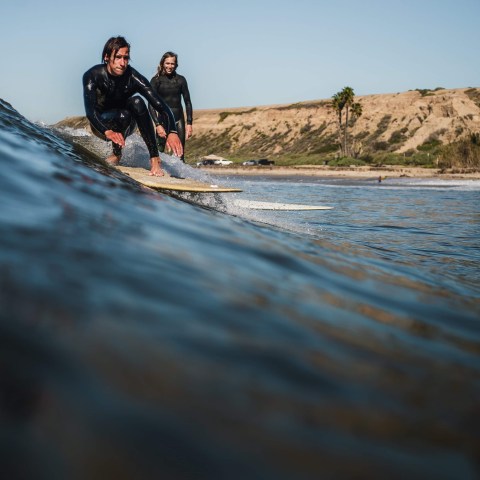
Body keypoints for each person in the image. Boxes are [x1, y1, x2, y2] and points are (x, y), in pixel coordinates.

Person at [82, 36, 182, 176]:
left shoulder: (133, 77)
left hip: (126, 122)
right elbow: (90, 112)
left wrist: (172, 131)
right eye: (118, 57)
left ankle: (154, 159)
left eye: (126, 58)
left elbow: (160, 105)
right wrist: (108, 131)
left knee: (137, 102)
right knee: (121, 115)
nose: (122, 63)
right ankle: (117, 154)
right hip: (101, 125)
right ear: (107, 57)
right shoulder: (92, 75)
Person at [149, 52, 192, 162]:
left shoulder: (181, 80)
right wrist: (157, 125)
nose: (170, 66)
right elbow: (151, 104)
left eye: (172, 64)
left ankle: (179, 177)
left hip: (179, 120)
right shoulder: (156, 80)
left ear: (176, 65)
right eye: (167, 63)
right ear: (163, 63)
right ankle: (159, 173)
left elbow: (187, 102)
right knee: (159, 151)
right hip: (163, 121)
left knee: (180, 154)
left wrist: (189, 123)